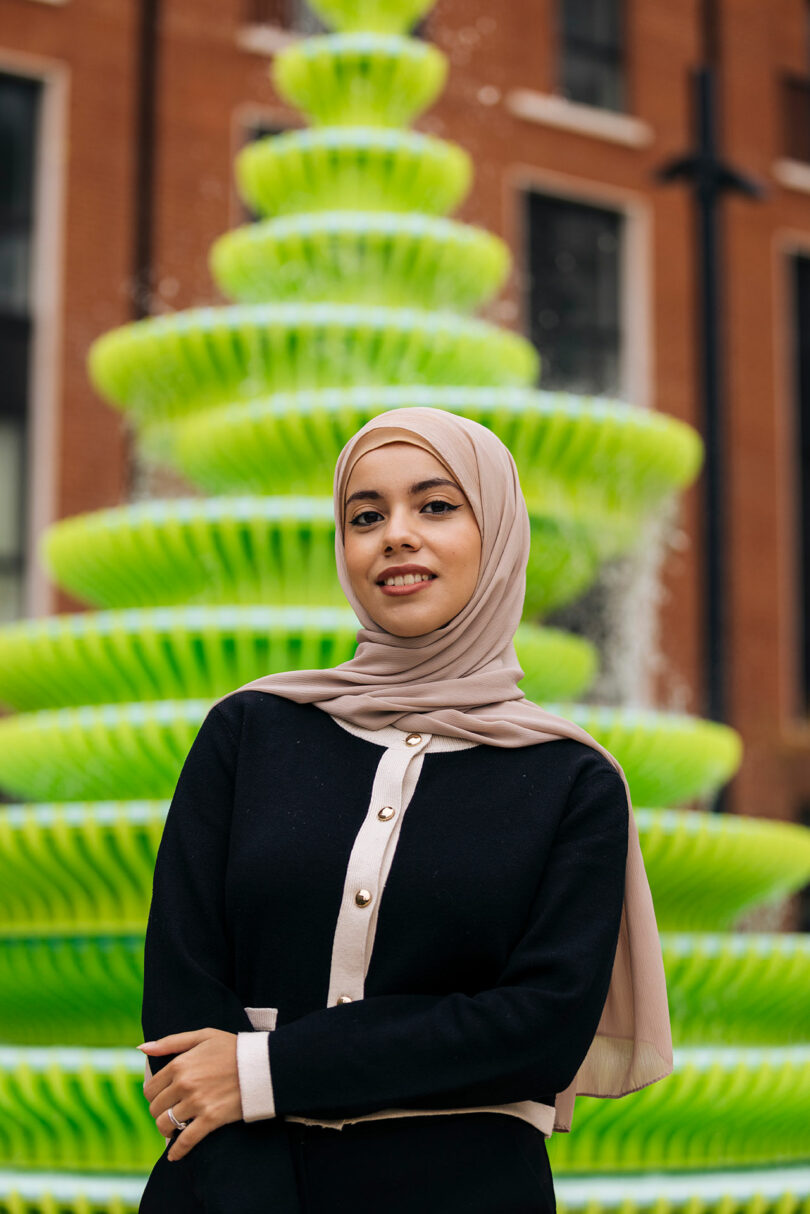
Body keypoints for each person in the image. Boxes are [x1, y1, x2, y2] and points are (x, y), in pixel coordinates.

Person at [137, 407, 673, 1214]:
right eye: (365, 516)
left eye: (435, 506)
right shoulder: (250, 731)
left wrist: (268, 1071)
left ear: (496, 533)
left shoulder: (572, 780)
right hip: (231, 1187)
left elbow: (539, 1030)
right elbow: (183, 985)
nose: (395, 535)